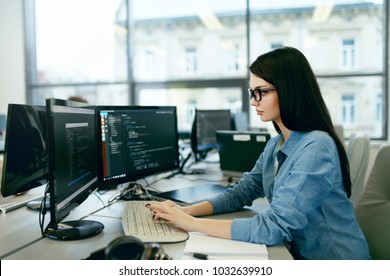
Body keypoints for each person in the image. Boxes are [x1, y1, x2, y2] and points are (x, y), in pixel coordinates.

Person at [147, 46, 371, 260]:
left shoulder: (316, 148)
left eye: (261, 92)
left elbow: (273, 227)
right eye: (252, 93)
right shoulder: (277, 144)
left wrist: (189, 224)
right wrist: (185, 210)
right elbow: (242, 193)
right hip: (299, 255)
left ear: (288, 90)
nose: (254, 101)